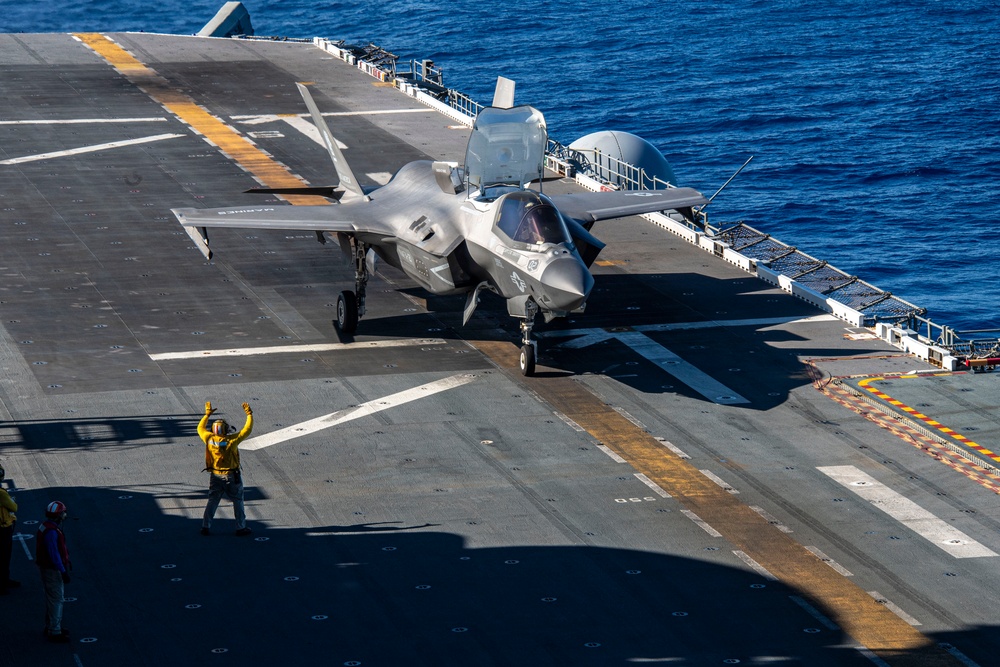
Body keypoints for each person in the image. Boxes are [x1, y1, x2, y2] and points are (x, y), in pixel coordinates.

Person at [199, 401, 254, 536]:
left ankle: (206, 526)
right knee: (238, 500)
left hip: (215, 476)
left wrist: (206, 415)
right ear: (225, 430)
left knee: (213, 500)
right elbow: (247, 430)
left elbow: (200, 428)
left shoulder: (209, 439)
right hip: (231, 476)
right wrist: (249, 414)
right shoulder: (232, 441)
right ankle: (240, 527)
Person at [36, 501, 71, 642]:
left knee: (51, 598)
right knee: (57, 599)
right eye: (63, 513)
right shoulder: (52, 532)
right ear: (58, 515)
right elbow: (54, 554)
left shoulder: (45, 526)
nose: (64, 515)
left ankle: (50, 626)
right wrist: (63, 571)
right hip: (52, 570)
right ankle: (55, 631)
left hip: (46, 567)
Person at [0, 464, 20, 595]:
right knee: (4, 556)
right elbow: (14, 507)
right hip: (3, 528)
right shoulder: (1, 493)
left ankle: (5, 580)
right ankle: (2, 583)